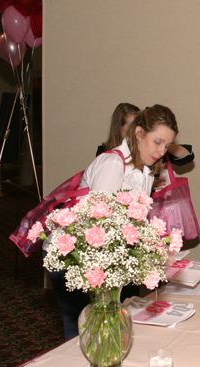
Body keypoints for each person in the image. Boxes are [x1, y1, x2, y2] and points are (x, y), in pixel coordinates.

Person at [49, 104, 179, 340]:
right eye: (157, 142)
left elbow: (134, 222)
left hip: (104, 256)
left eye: (167, 146)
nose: (162, 151)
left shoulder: (146, 171)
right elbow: (98, 222)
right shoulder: (112, 164)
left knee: (109, 329)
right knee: (81, 333)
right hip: (74, 256)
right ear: (139, 133)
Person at [97, 102, 195, 167]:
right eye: (157, 142)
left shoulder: (156, 152)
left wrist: (165, 144)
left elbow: (186, 157)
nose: (161, 152)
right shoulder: (110, 160)